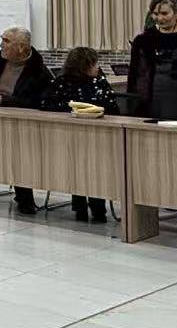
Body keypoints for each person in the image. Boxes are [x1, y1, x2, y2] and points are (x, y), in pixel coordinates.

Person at [0, 28, 54, 213]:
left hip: (20, 123)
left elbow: (41, 102)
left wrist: (5, 101)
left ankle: (24, 198)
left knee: (19, 155)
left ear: (21, 47)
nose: (1, 45)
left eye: (6, 41)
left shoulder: (39, 72)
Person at [41, 47, 119, 222]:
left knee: (96, 169)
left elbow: (113, 108)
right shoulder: (61, 82)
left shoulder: (100, 81)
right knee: (77, 166)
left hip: (99, 138)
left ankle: (98, 210)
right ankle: (80, 208)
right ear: (84, 66)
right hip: (69, 138)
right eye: (94, 64)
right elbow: (47, 105)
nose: (98, 68)